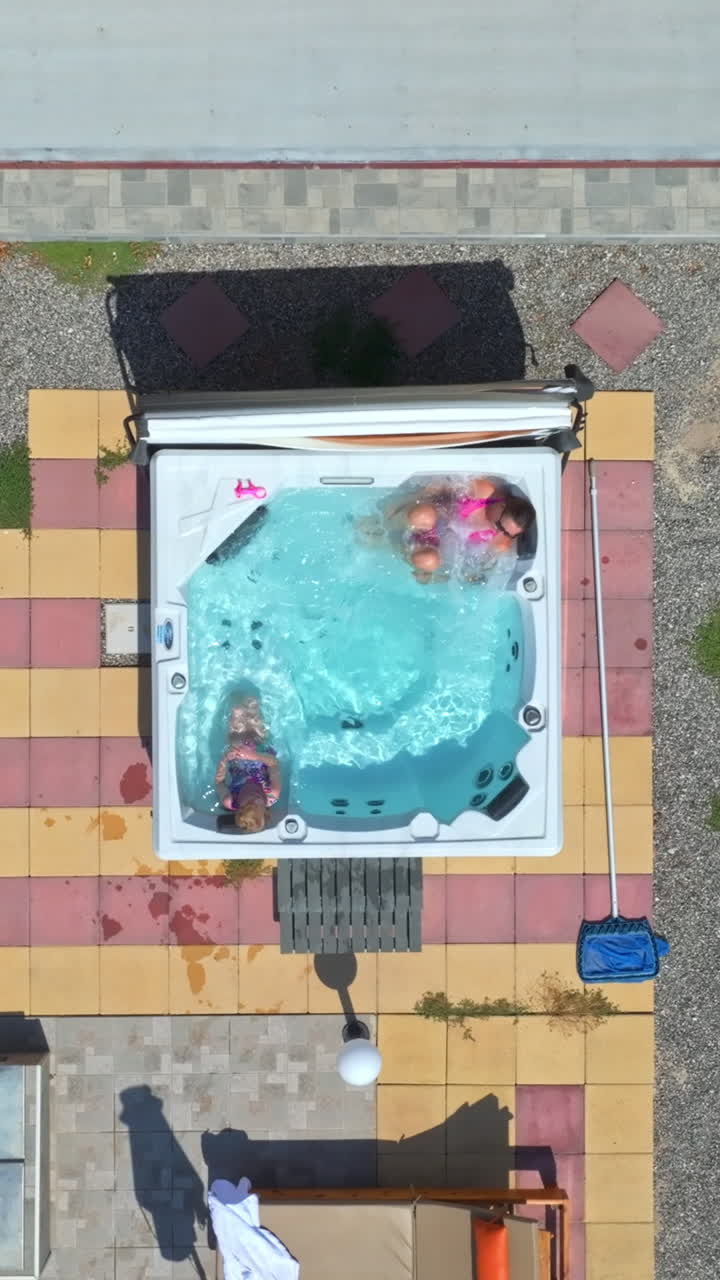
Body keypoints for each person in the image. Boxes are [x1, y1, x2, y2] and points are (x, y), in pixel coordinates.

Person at [214, 696, 282, 832]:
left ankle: (234, 694)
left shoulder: (230, 800)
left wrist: (224, 760)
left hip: (236, 751)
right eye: (259, 803)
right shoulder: (272, 794)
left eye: (249, 802)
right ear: (265, 809)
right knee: (252, 705)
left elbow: (219, 783)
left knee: (236, 711)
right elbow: (274, 764)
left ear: (239, 806)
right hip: (261, 749)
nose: (256, 798)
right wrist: (254, 755)